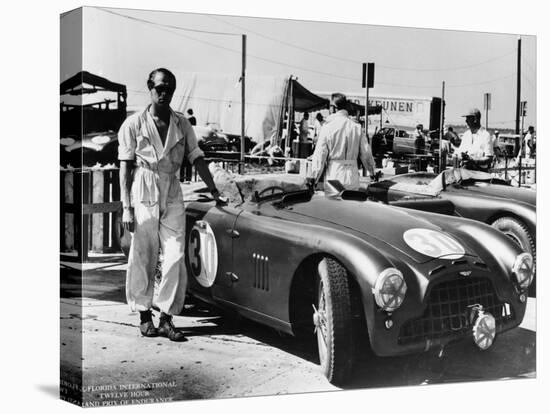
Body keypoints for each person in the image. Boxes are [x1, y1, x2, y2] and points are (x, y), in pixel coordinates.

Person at [118, 68, 223, 341]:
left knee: (176, 255)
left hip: (172, 189)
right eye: (159, 88)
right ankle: (144, 314)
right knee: (143, 253)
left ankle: (166, 316)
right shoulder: (134, 124)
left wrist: (214, 189)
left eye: (169, 89)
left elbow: (197, 157)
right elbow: (125, 167)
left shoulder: (181, 124)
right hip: (144, 186)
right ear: (150, 88)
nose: (164, 94)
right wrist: (126, 206)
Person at [311, 93, 376, 194]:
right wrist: (372, 172)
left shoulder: (327, 127)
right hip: (352, 177)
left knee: (335, 208)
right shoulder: (356, 127)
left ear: (334, 108)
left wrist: (313, 179)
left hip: (334, 176)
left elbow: (320, 157)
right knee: (350, 207)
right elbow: (366, 153)